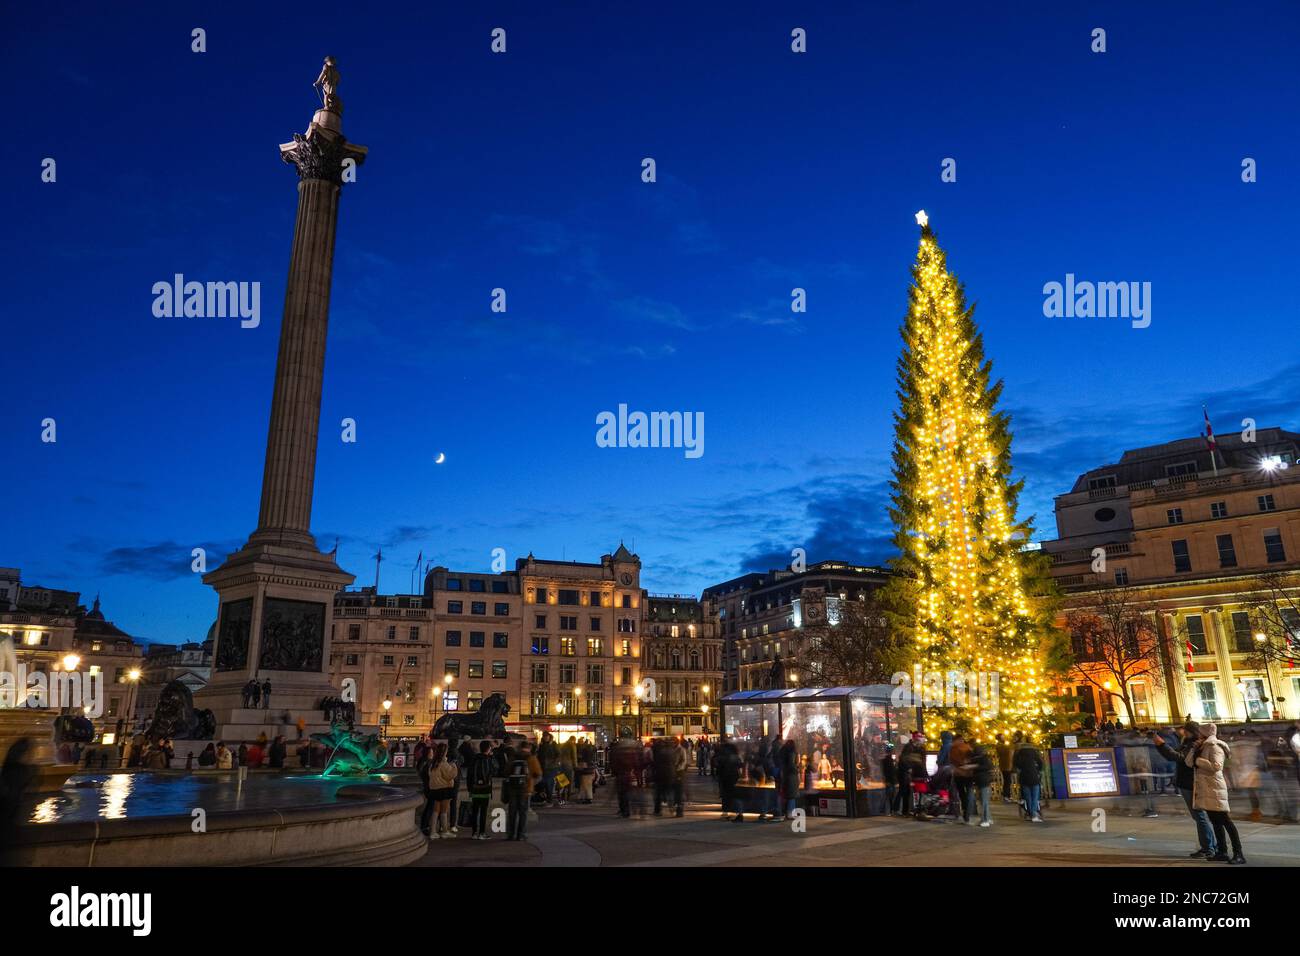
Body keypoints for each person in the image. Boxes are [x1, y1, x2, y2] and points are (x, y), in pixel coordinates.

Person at [1151, 723, 1216, 858]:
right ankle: (1208, 846)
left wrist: (1161, 745)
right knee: (1198, 816)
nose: (1181, 731)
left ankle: (1209, 847)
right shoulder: (1186, 742)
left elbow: (1178, 757)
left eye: (1183, 729)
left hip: (1191, 782)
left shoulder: (1194, 744)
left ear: (1190, 731)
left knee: (1200, 816)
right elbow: (1174, 755)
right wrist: (1160, 744)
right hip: (1186, 782)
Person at [1187, 723, 1245, 864]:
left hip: (1215, 788)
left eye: (1200, 733)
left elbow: (1216, 766)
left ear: (1205, 733)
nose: (1198, 735)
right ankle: (1222, 852)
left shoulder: (1214, 746)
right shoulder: (1201, 747)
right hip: (1207, 789)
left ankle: (1239, 854)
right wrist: (1194, 751)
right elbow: (1188, 763)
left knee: (1226, 821)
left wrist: (1199, 760)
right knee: (1215, 822)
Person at [505, 742, 541, 841]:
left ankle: (511, 834)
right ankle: (521, 834)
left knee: (512, 812)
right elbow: (538, 774)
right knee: (523, 813)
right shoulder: (531, 758)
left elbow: (506, 772)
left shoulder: (513, 758)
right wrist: (531, 784)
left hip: (513, 788)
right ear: (529, 748)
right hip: (525, 789)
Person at [425, 743, 460, 839]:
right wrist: (454, 766)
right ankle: (444, 831)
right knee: (444, 811)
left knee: (435, 811)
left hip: (434, 789)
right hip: (444, 789)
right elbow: (450, 775)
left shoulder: (432, 763)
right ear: (444, 752)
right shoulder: (443, 763)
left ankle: (433, 831)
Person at [609, 729, 642, 819]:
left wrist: (614, 771)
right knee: (632, 791)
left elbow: (613, 760)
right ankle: (635, 808)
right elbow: (639, 759)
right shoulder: (636, 745)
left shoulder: (617, 746)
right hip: (632, 772)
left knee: (622, 793)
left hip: (621, 773)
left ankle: (624, 810)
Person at [467, 740, 496, 840]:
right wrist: (492, 757)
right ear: (488, 749)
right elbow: (495, 770)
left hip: (475, 788)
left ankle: (474, 832)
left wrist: (469, 788)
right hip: (485, 789)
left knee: (475, 811)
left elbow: (469, 774)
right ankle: (482, 833)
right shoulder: (488, 759)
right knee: (483, 811)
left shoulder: (474, 759)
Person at [1013, 737, 1044, 822]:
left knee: (1028, 797)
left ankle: (1031, 814)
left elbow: (1016, 764)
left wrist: (1021, 768)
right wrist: (1038, 770)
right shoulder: (1033, 752)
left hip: (1024, 777)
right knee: (1035, 797)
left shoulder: (1018, 753)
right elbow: (1040, 762)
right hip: (1034, 776)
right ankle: (1034, 814)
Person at [715, 736, 743, 821]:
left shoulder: (721, 752)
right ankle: (738, 813)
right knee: (734, 794)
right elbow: (740, 764)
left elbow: (717, 763)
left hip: (725, 776)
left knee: (726, 795)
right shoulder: (734, 754)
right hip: (733, 776)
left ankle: (726, 812)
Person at [949, 733, 974, 823]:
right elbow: (972, 758)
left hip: (959, 774)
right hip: (969, 774)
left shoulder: (954, 749)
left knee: (962, 794)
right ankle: (968, 812)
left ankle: (965, 812)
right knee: (969, 793)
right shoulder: (968, 747)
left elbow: (952, 760)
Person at [971, 743, 993, 827]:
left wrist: (975, 766)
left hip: (982, 782)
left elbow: (986, 767)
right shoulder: (984, 759)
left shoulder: (978, 760)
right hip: (984, 781)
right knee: (984, 801)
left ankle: (985, 820)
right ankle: (988, 818)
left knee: (983, 801)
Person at [778, 738, 799, 821]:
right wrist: (796, 769)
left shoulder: (783, 752)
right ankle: (790, 813)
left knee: (788, 795)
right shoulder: (791, 753)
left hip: (786, 775)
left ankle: (786, 812)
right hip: (791, 776)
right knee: (791, 795)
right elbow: (792, 764)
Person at [536, 732, 560, 806]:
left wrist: (554, 762)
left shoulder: (553, 744)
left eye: (547, 736)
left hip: (551, 767)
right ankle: (547, 799)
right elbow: (539, 755)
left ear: (549, 737)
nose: (545, 737)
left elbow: (558, 755)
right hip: (544, 767)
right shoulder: (542, 745)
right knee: (544, 783)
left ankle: (549, 800)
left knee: (549, 783)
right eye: (544, 736)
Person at [995, 733, 1016, 803]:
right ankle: (1006, 796)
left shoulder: (1002, 745)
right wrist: (1012, 743)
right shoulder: (1000, 746)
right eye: (1002, 737)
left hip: (1007, 765)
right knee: (1007, 781)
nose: (1004, 738)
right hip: (1005, 766)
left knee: (1008, 781)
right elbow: (1008, 750)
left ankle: (1007, 796)